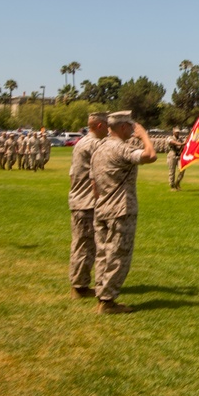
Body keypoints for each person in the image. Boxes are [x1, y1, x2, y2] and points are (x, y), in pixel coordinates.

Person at [90, 111, 157, 314]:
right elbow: (150, 156)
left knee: (102, 253)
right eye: (130, 126)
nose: (132, 129)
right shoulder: (120, 148)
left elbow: (94, 184)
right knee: (119, 254)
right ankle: (108, 301)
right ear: (122, 127)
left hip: (101, 207)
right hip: (120, 209)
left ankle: (101, 292)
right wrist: (145, 136)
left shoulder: (99, 148)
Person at [67, 112, 109, 299]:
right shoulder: (94, 144)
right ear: (100, 125)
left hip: (79, 199)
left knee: (82, 243)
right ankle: (79, 287)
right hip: (87, 202)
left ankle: (80, 283)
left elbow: (71, 175)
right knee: (85, 245)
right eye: (108, 125)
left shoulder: (81, 143)